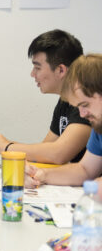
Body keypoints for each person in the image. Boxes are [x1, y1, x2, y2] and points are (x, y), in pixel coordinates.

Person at [0, 30, 90, 164]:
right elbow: (45, 150)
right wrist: (3, 143)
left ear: (61, 70)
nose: (32, 74)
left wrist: (6, 147)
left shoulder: (87, 103)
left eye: (37, 68)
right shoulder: (64, 99)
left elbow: (58, 154)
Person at [27, 54, 102, 200]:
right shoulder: (99, 125)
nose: (82, 114)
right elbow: (85, 170)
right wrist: (43, 174)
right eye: (78, 107)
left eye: (85, 105)